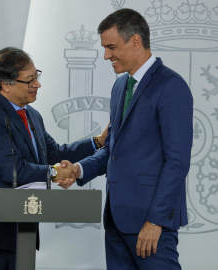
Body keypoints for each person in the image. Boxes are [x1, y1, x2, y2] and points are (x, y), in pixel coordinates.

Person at [61, 8, 193, 270]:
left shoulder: (171, 86)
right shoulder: (121, 85)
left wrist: (156, 221)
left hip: (150, 223)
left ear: (135, 40)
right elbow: (112, 150)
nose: (106, 55)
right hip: (116, 220)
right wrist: (78, 169)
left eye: (111, 47)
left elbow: (177, 162)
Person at [0, 47, 108, 270]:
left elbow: (54, 154)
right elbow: (14, 171)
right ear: (6, 84)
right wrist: (58, 173)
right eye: (30, 80)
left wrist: (97, 141)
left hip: (19, 235)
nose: (37, 84)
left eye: (37, 76)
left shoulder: (32, 115)